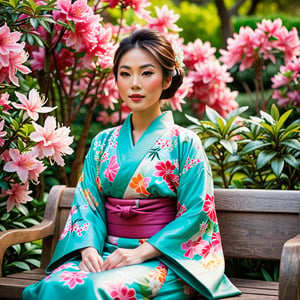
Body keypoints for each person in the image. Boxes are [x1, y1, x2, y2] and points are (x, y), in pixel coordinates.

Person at [23, 28, 241, 300]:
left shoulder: (185, 143)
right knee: (58, 284)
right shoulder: (103, 142)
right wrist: (88, 249)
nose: (134, 83)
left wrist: (141, 251)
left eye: (147, 73)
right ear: (116, 79)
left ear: (166, 80)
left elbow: (196, 212)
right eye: (125, 74)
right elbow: (87, 204)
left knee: (96, 289)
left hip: (163, 258)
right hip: (104, 254)